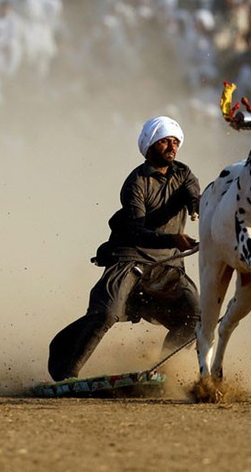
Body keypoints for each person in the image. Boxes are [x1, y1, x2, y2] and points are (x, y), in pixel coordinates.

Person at [48, 117, 201, 381]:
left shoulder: (184, 174)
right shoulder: (136, 183)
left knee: (197, 316)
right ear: (150, 146)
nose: (171, 146)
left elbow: (196, 198)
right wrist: (173, 240)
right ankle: (66, 374)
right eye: (165, 141)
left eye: (175, 142)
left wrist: (200, 209)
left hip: (169, 265)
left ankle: (164, 370)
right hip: (131, 260)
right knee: (105, 313)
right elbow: (135, 231)